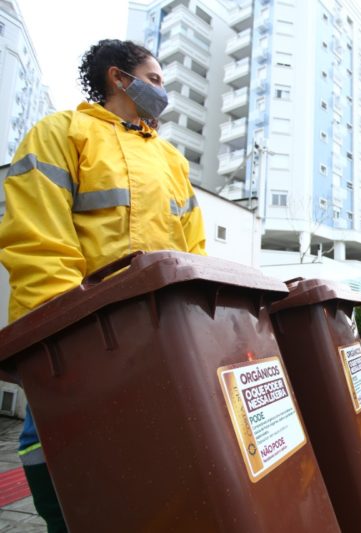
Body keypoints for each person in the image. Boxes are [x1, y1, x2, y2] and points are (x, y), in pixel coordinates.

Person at [0, 39, 206, 531]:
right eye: (154, 80)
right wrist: (61, 335)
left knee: (150, 454)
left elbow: (192, 252)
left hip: (157, 337)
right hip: (80, 335)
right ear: (119, 78)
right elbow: (39, 240)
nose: (162, 92)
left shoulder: (172, 161)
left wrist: (194, 323)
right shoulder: (62, 133)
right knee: (57, 447)